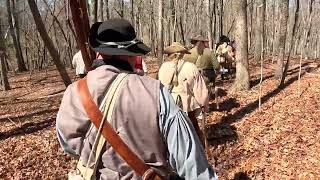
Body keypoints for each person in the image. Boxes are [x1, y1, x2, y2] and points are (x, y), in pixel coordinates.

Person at [56, 19, 217, 179]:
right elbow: (191, 163)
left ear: (99, 53)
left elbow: (68, 145)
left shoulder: (74, 92)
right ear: (131, 55)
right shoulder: (155, 92)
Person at [158, 42, 209, 148]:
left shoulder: (163, 67)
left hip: (170, 106)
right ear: (182, 54)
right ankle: (197, 151)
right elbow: (200, 90)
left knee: (173, 133)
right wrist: (203, 104)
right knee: (193, 131)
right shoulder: (190, 67)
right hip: (187, 106)